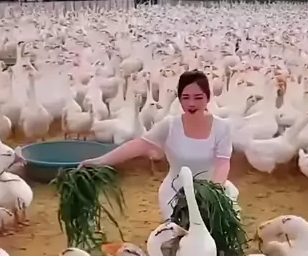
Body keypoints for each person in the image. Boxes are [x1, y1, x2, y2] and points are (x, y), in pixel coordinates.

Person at [79, 69, 239, 219]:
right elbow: (138, 146)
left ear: (208, 98)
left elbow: (222, 163)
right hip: (176, 195)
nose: (191, 103)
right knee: (180, 233)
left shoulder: (222, 127)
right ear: (179, 99)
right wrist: (100, 161)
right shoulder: (170, 125)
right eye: (185, 97)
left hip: (212, 191)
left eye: (198, 98)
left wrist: (213, 195)